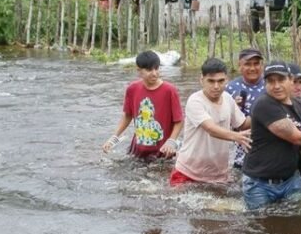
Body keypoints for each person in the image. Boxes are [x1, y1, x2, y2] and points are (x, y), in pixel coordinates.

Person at [241, 61, 301, 210]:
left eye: (281, 80)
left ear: (291, 80)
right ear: (265, 84)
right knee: (261, 226)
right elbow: (297, 137)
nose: (276, 86)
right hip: (259, 183)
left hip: (291, 179)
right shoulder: (264, 104)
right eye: (271, 81)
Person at [170, 58, 252, 186]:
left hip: (219, 175)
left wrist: (264, 114)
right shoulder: (195, 101)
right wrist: (237, 137)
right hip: (188, 172)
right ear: (201, 80)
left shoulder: (228, 99)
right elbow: (211, 129)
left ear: (227, 80)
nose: (216, 86)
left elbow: (242, 124)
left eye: (221, 81)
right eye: (211, 81)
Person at [102, 50, 184, 159]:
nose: (154, 73)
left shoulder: (170, 90)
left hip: (163, 153)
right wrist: (114, 137)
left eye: (157, 68)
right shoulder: (132, 89)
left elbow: (179, 120)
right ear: (139, 71)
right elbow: (127, 115)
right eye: (149, 70)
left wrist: (171, 141)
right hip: (137, 150)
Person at [225, 48, 265, 169]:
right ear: (239, 66)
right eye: (248, 64)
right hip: (241, 142)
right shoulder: (230, 88)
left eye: (256, 64)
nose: (252, 68)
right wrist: (234, 108)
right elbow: (222, 123)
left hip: (267, 142)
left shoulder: (272, 84)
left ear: (262, 65)